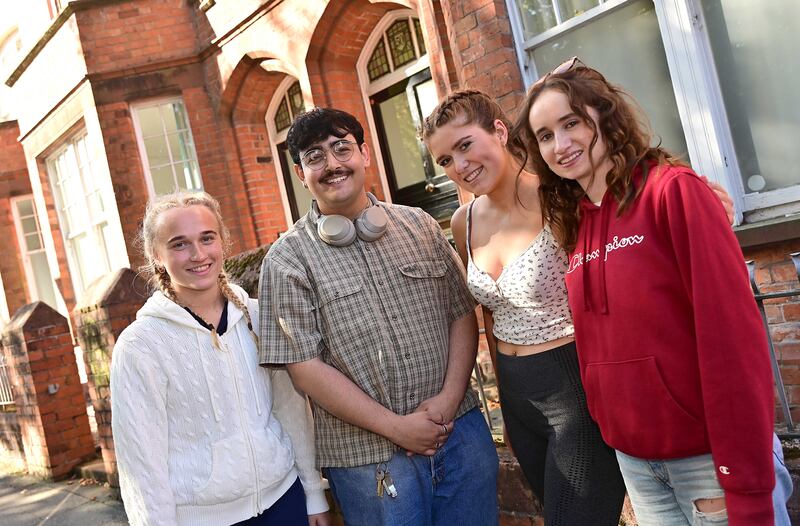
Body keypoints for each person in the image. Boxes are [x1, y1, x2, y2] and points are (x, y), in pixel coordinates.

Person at [520, 57, 784, 525]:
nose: (560, 145)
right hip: (637, 464)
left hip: (707, 462)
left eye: (571, 122)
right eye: (544, 135)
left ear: (604, 114)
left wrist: (743, 480)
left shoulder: (673, 192)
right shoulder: (578, 222)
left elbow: (734, 344)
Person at [258, 107, 499, 526]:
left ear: (364, 154)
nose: (332, 165)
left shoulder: (420, 225)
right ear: (301, 173)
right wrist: (396, 427)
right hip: (366, 461)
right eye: (315, 157)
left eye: (341, 149)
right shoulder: (286, 261)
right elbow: (305, 369)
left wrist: (445, 402)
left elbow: (461, 314)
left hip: (459, 435)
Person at [422, 90, 626, 526]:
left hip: (575, 390)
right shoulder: (464, 221)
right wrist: (509, 413)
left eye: (464, 146)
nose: (459, 166)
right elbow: (489, 318)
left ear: (499, 130)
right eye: (445, 160)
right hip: (517, 396)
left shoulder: (560, 199)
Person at [111, 191, 330, 526]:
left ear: (223, 241)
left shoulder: (257, 317)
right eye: (179, 244)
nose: (198, 254)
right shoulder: (140, 346)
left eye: (207, 238)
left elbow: (291, 408)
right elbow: (142, 463)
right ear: (157, 255)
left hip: (285, 501)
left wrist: (313, 492)